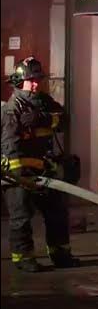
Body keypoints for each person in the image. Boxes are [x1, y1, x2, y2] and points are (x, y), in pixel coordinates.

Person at [2, 57, 78, 271]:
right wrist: (21, 176)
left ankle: (60, 254)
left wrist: (42, 119)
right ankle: (23, 259)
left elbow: (64, 119)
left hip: (45, 170)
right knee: (21, 217)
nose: (35, 84)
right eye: (30, 80)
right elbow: (11, 147)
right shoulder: (12, 109)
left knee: (57, 212)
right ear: (19, 82)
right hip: (19, 173)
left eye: (37, 79)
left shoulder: (45, 101)